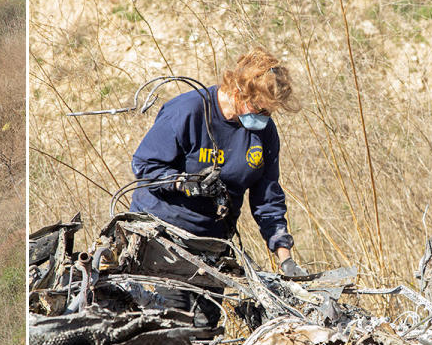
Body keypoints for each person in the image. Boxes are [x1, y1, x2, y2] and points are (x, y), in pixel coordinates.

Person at [130, 47, 306, 325]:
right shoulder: (187, 111)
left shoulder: (264, 133)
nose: (263, 118)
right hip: (162, 240)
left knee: (205, 330)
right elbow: (144, 166)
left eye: (269, 113)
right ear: (239, 91)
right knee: (171, 328)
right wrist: (185, 184)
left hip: (212, 245)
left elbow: (267, 198)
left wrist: (285, 257)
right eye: (259, 109)